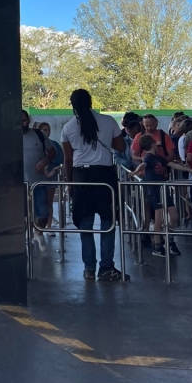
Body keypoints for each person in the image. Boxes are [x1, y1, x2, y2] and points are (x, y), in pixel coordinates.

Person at [62, 88, 128, 281]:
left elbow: (68, 160)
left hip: (81, 176)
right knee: (108, 222)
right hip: (105, 175)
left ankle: (89, 269)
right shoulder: (108, 121)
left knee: (85, 225)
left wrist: (69, 184)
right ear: (91, 102)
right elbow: (121, 146)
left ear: (73, 105)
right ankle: (106, 267)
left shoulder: (68, 127)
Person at [131, 133, 181, 257]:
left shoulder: (158, 158)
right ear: (153, 144)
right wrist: (136, 171)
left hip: (163, 188)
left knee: (173, 216)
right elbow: (143, 164)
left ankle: (169, 241)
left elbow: (171, 164)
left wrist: (190, 170)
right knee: (159, 218)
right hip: (155, 190)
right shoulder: (148, 157)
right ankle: (158, 245)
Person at [22, 110, 55, 244]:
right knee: (21, 214)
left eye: (24, 120)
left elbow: (52, 152)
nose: (21, 124)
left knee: (43, 212)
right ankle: (26, 236)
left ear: (28, 120)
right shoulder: (8, 137)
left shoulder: (39, 135)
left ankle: (38, 231)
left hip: (38, 182)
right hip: (18, 184)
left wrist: (45, 161)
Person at [35, 121, 64, 232]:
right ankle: (37, 227)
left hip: (51, 175)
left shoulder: (54, 145)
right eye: (44, 130)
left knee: (49, 201)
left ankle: (49, 225)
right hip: (38, 175)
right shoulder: (35, 144)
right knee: (38, 202)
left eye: (49, 130)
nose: (47, 132)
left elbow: (60, 158)